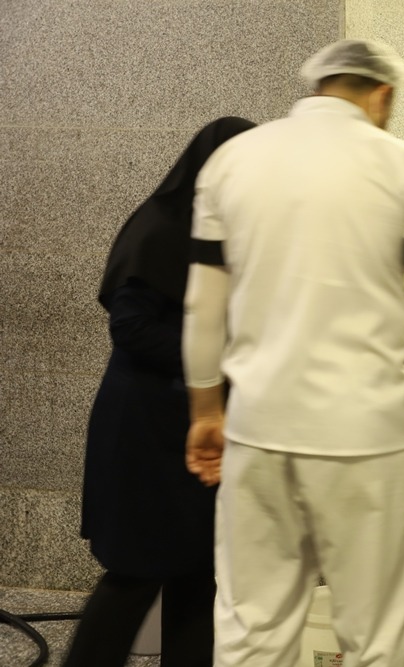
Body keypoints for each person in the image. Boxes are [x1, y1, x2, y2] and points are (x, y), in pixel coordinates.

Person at [182, 40, 404, 667]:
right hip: (370, 437)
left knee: (252, 628)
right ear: (383, 94)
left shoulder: (233, 160)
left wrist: (206, 410)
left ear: (317, 86)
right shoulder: (403, 165)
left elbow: (201, 308)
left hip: (259, 430)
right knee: (375, 637)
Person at [64, 117, 256, 667]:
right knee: (136, 572)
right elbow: (130, 327)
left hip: (195, 427)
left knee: (197, 572)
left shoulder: (221, 232)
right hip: (146, 429)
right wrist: (220, 362)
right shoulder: (160, 228)